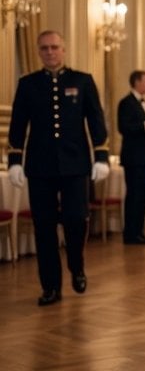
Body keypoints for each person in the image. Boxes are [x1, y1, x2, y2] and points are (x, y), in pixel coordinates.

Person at [7, 29, 110, 305]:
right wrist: (15, 160)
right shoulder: (27, 84)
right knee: (44, 227)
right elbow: (17, 125)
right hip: (39, 167)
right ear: (39, 52)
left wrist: (101, 155)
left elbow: (96, 120)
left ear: (63, 50)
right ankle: (50, 286)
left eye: (54, 47)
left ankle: (76, 265)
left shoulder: (82, 81)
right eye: (44, 48)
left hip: (75, 165)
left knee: (76, 219)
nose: (50, 52)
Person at [117, 69, 145, 244]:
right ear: (137, 82)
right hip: (133, 157)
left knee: (141, 195)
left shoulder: (143, 102)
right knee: (134, 195)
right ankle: (131, 234)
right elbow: (124, 127)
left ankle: (139, 231)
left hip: (144, 157)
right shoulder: (126, 102)